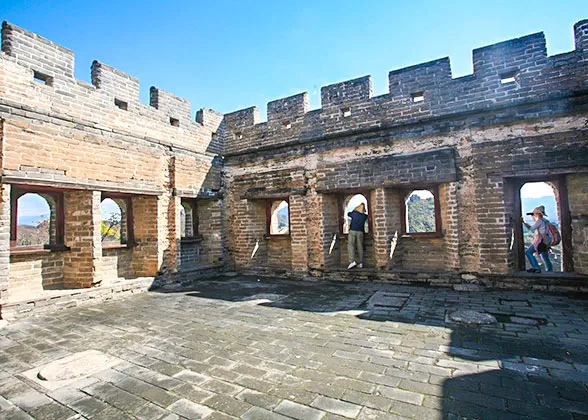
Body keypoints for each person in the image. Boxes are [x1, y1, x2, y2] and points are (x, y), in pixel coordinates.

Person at [522, 205, 553, 273]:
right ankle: (550, 271)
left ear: (537, 213)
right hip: (546, 240)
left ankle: (536, 267)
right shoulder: (546, 221)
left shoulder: (540, 221)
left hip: (540, 241)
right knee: (544, 256)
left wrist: (524, 222)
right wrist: (533, 218)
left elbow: (531, 228)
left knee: (528, 252)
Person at [347, 203, 368, 269]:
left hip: (352, 230)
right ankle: (361, 263)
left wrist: (355, 209)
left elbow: (348, 214)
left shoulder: (354, 213)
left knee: (351, 245)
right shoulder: (364, 216)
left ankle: (352, 261)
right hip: (360, 232)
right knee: (360, 247)